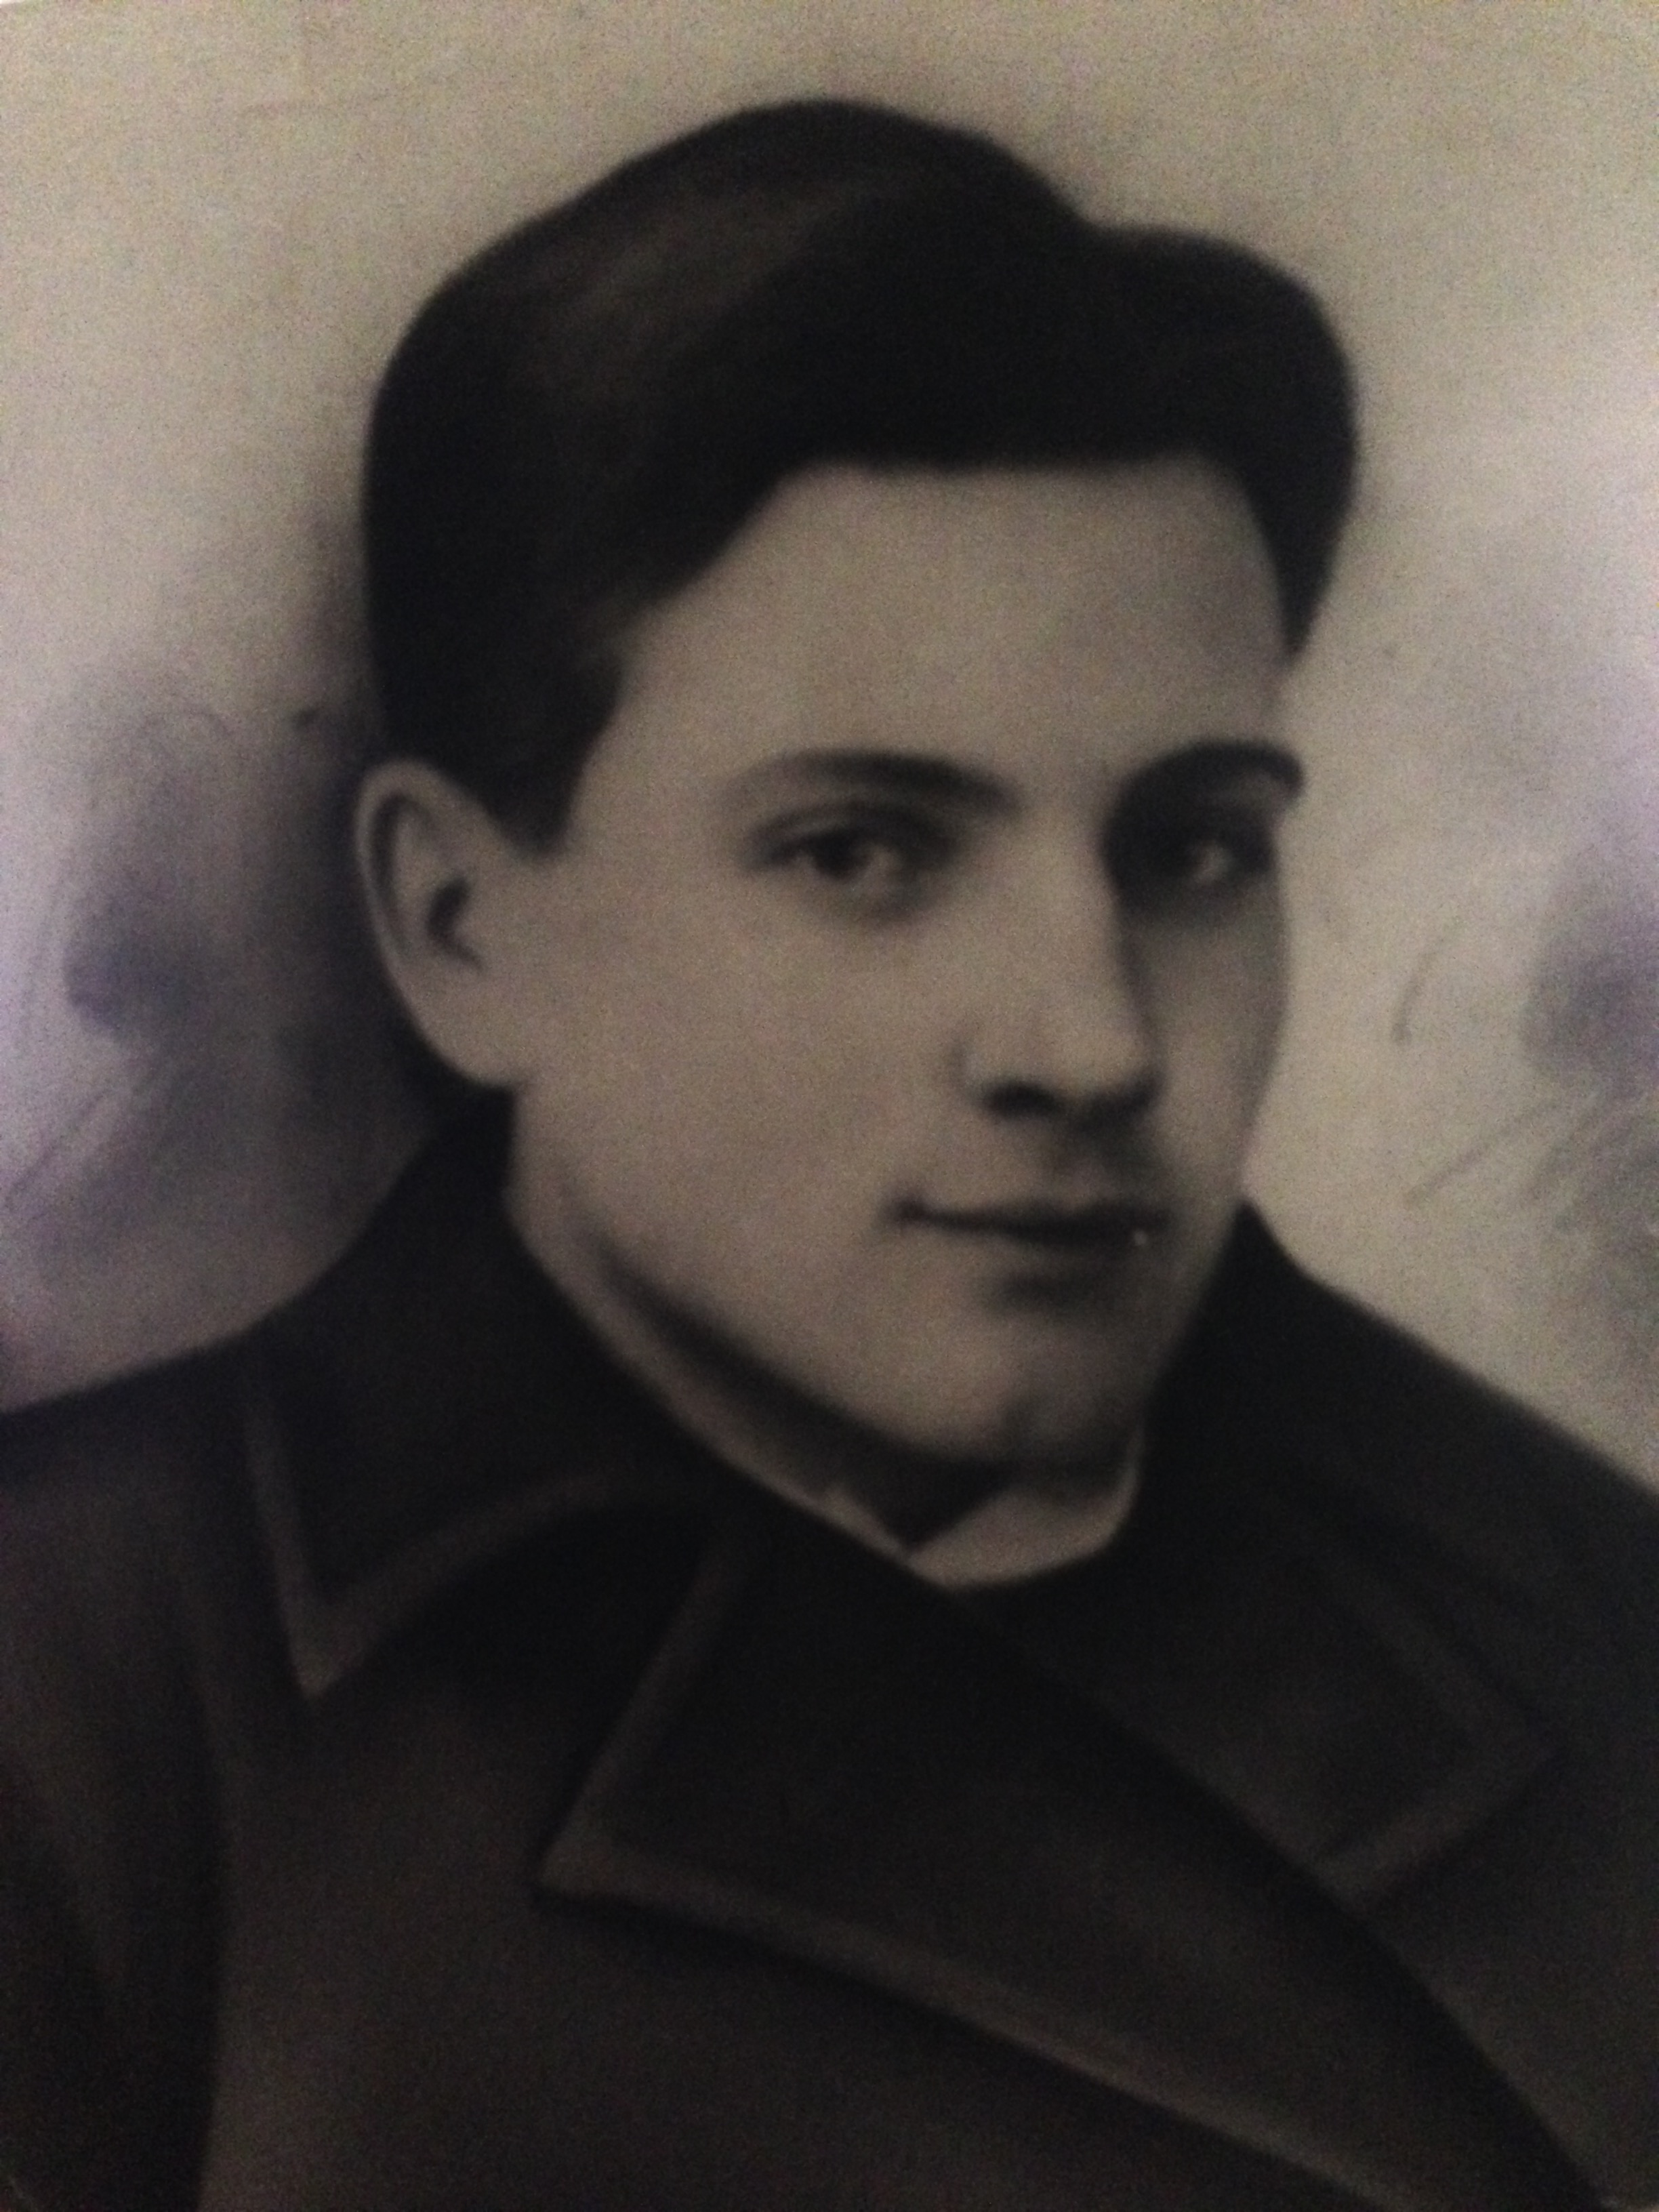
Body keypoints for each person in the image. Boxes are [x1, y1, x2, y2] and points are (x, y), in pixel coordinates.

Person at [0, 100, 1653, 2212]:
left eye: (1189, 850)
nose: (1092, 1042)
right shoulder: (83, 1709)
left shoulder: (1591, 1624)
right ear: (459, 925)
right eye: (863, 851)